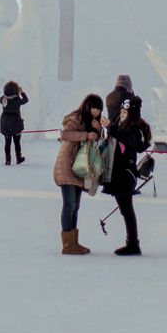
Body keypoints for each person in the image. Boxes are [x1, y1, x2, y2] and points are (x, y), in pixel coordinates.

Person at [52, 93, 104, 255]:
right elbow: (65, 134)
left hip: (80, 168)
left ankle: (73, 242)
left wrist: (98, 130)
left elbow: (97, 145)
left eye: (98, 109)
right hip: (68, 165)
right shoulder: (77, 118)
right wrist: (86, 135)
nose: (95, 111)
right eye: (93, 107)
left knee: (76, 206)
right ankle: (68, 245)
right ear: (87, 106)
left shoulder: (92, 122)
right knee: (69, 205)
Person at [103, 95, 152, 256]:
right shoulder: (120, 125)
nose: (122, 114)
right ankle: (132, 242)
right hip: (117, 174)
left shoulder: (134, 131)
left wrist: (110, 127)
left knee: (127, 209)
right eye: (122, 111)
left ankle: (133, 243)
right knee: (126, 209)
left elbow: (130, 141)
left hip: (125, 175)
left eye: (126, 112)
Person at [0, 80, 29, 165]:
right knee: (17, 143)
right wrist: (21, 92)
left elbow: (1, 98)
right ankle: (18, 158)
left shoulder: (3, 100)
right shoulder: (17, 100)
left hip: (5, 124)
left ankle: (8, 160)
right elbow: (26, 100)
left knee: (7, 143)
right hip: (15, 124)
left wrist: (7, 94)